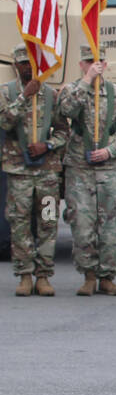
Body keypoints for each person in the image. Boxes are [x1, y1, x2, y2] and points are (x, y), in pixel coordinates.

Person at [59, 51, 116, 296]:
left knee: (111, 224)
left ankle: (107, 277)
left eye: (99, 62)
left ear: (106, 64)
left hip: (110, 169)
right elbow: (67, 111)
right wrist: (86, 80)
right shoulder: (73, 90)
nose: (95, 66)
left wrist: (109, 150)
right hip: (80, 168)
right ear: (81, 64)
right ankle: (88, 275)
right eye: (90, 62)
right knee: (82, 223)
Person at [1, 46, 67, 296]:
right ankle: (25, 274)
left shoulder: (51, 95)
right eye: (22, 64)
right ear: (15, 66)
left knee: (48, 222)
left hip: (48, 174)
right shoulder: (6, 93)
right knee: (19, 223)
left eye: (31, 63)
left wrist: (48, 145)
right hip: (19, 172)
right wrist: (24, 97)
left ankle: (44, 275)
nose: (27, 68)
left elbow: (63, 131)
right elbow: (4, 122)